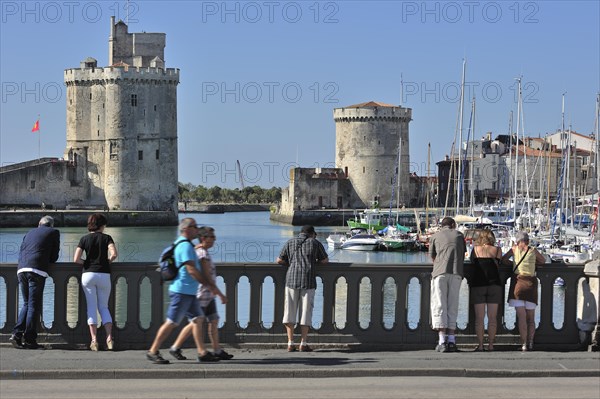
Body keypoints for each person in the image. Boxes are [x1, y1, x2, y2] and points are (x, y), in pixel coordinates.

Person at [146, 218, 220, 364]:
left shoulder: (188, 245)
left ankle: (202, 352)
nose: (197, 229)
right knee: (172, 322)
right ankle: (153, 351)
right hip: (181, 291)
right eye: (194, 227)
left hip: (190, 292)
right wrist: (208, 284)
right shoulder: (185, 246)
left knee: (198, 320)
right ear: (186, 229)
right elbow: (191, 269)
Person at [168, 226, 233, 361]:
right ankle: (176, 347)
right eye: (212, 237)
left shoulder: (201, 251)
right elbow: (207, 276)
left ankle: (217, 350)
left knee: (213, 320)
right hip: (202, 294)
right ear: (203, 238)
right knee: (195, 322)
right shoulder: (202, 254)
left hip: (208, 294)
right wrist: (220, 294)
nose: (214, 240)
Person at [10, 216, 60, 349]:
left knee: (27, 303)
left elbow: (22, 251)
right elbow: (54, 256)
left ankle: (16, 334)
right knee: (33, 305)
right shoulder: (54, 232)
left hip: (21, 269)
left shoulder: (29, 232)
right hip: (36, 270)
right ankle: (30, 340)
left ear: (39, 224)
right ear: (51, 225)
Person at [277, 225, 328, 352]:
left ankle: (290, 343)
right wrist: (313, 262)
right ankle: (303, 343)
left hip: (291, 280)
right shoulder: (315, 243)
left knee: (289, 311)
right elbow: (325, 260)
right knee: (306, 312)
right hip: (308, 280)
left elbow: (279, 260)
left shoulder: (290, 242)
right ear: (312, 234)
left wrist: (291, 263)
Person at [74, 213, 118, 351]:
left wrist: (87, 263)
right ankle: (109, 338)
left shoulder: (84, 239)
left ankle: (94, 341)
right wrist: (107, 262)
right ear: (102, 225)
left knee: (91, 308)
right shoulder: (107, 238)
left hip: (88, 274)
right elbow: (114, 254)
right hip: (104, 274)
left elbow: (76, 259)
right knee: (103, 307)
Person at [502, 231, 545, 351]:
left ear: (518, 241)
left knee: (521, 317)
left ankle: (524, 344)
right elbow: (543, 261)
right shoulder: (533, 250)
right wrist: (533, 264)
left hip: (518, 284)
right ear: (527, 241)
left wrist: (513, 264)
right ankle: (531, 342)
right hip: (531, 285)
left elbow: (504, 259)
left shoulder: (514, 249)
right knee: (531, 318)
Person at [429, 216, 466, 353]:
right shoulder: (459, 235)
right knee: (453, 305)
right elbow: (463, 253)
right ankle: (452, 340)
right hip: (456, 272)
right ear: (453, 225)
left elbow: (432, 256)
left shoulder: (435, 236)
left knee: (439, 305)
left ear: (442, 225)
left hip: (440, 273)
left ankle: (442, 341)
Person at [469, 229, 503, 351]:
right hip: (494, 285)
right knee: (492, 318)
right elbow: (498, 264)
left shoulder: (476, 250)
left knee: (479, 318)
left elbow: (472, 262)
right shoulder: (498, 250)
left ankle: (481, 345)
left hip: (478, 285)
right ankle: (491, 345)